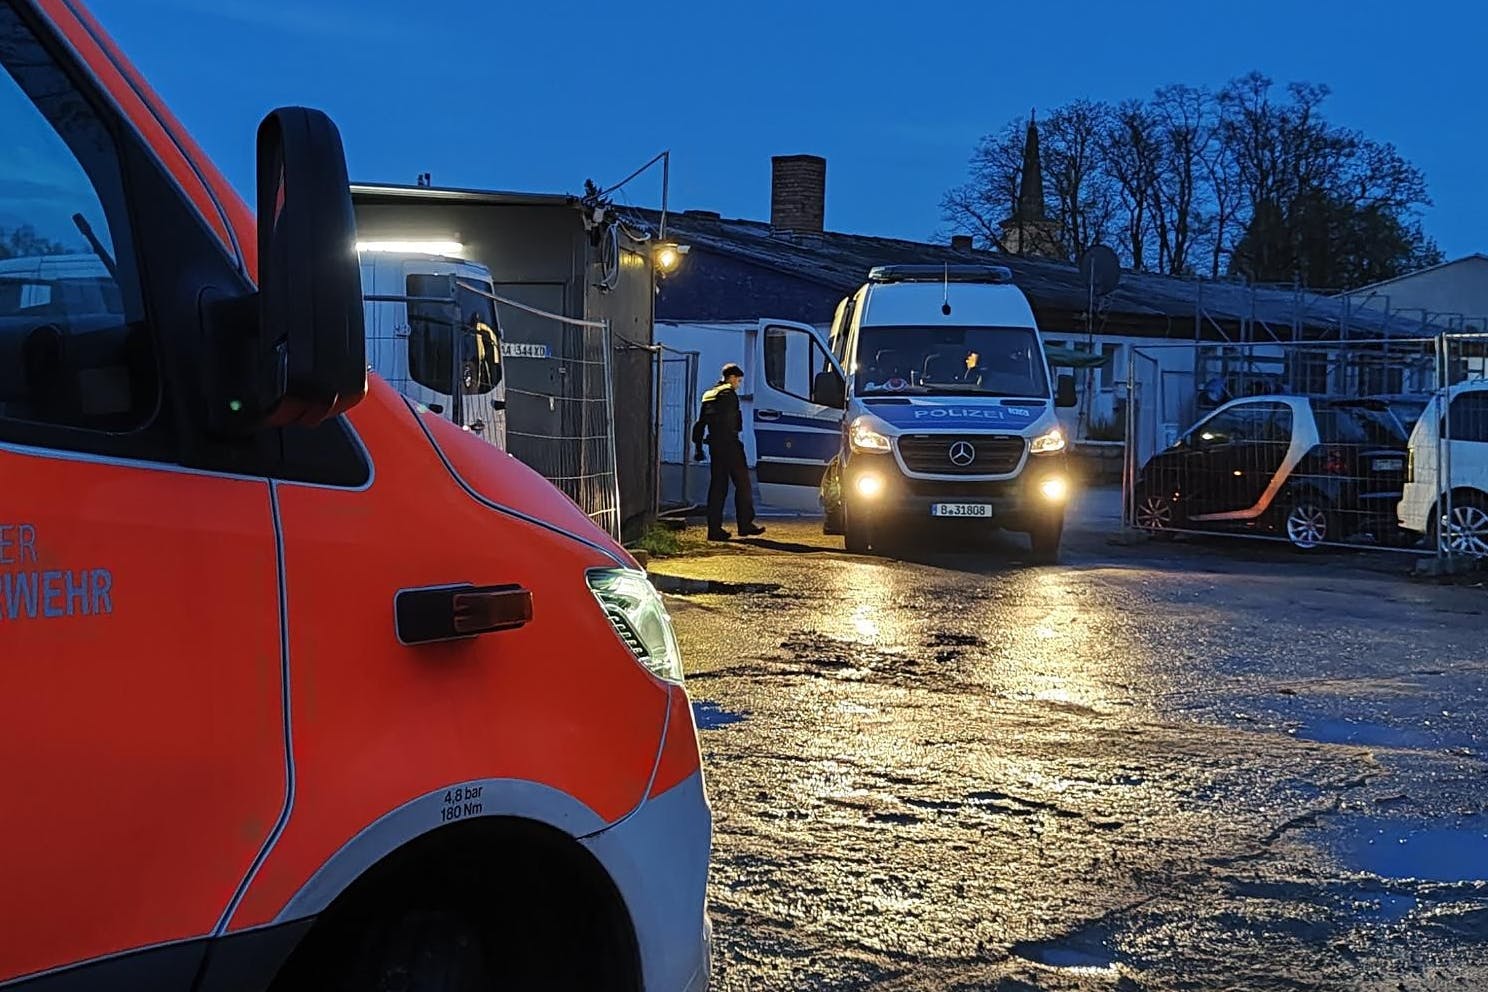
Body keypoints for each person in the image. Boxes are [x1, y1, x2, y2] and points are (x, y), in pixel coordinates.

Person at [692, 363, 765, 541]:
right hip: (730, 445)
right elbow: (732, 422)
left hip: (715, 446)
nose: (738, 384)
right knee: (743, 484)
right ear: (731, 377)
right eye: (738, 381)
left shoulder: (709, 395)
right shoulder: (728, 394)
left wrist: (699, 448)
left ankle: (714, 529)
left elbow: (700, 425)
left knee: (718, 487)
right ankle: (745, 524)